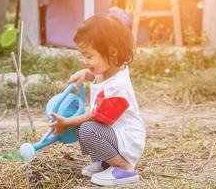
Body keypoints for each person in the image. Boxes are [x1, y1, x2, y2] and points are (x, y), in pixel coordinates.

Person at [49, 13, 146, 186]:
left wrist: (67, 122)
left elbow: (97, 117)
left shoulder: (118, 86)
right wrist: (85, 74)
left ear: (112, 52)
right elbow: (96, 74)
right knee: (83, 126)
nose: (85, 61)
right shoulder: (110, 68)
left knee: (86, 129)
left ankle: (123, 167)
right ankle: (106, 162)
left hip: (128, 139)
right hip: (114, 133)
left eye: (89, 56)